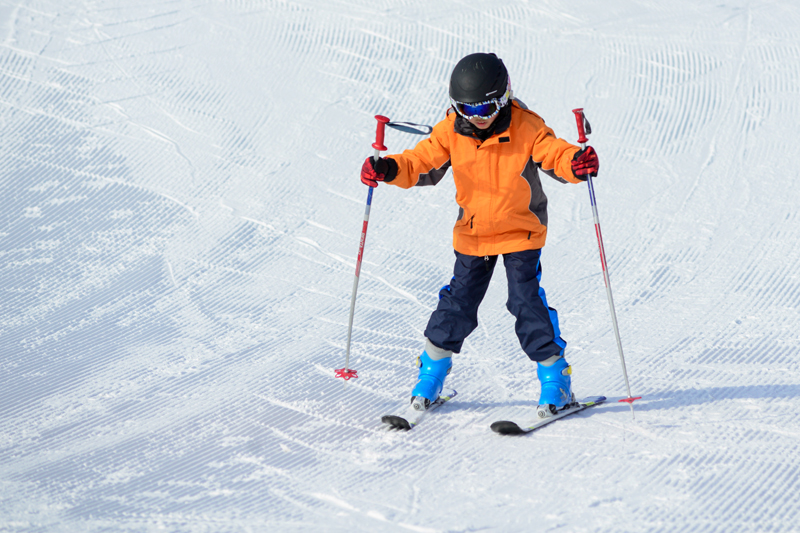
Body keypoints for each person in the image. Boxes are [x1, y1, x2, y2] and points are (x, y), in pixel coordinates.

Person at [360, 53, 599, 416]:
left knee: (525, 303)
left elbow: (555, 153)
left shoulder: (526, 126)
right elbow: (419, 162)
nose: (478, 117)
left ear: (503, 97)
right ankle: (431, 374)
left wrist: (575, 164)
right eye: (467, 110)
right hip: (473, 234)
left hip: (520, 232)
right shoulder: (451, 130)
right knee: (458, 305)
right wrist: (388, 168)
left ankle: (556, 381)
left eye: (486, 108)